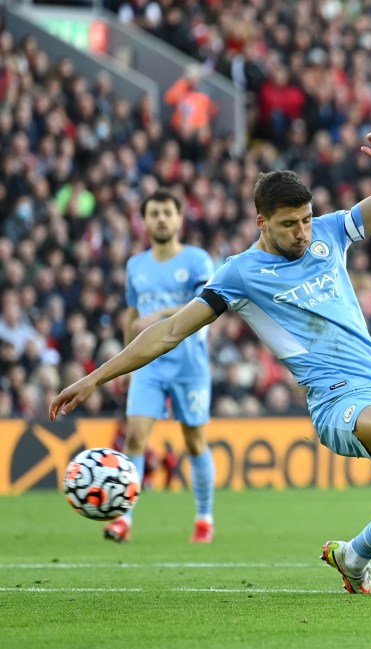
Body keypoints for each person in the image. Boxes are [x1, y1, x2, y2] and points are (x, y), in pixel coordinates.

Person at [50, 120, 371, 594]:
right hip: (335, 402)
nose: (303, 233)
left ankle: (352, 558)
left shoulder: (330, 233)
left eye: (306, 220)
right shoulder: (239, 275)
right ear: (262, 222)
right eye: (290, 225)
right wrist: (96, 377)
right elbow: (169, 331)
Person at [103, 189, 217, 544]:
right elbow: (132, 315)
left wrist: (160, 315)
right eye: (154, 213)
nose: (162, 218)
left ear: (180, 218)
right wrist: (124, 362)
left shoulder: (198, 260)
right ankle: (124, 519)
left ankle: (204, 518)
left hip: (189, 363)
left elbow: (206, 304)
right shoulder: (135, 265)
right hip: (149, 366)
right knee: (135, 436)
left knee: (194, 442)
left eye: (168, 212)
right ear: (145, 221)